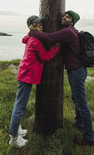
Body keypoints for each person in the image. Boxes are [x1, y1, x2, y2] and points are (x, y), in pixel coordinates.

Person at [29, 10, 94, 146]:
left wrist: (32, 32)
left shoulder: (68, 32)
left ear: (72, 21)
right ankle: (79, 124)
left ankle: (88, 138)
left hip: (77, 71)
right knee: (76, 99)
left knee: (82, 104)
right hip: (77, 70)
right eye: (64, 15)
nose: (64, 17)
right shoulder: (71, 31)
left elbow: (49, 38)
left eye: (68, 16)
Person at [9, 15, 59, 148]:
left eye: (41, 22)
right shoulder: (35, 40)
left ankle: (16, 129)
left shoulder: (32, 38)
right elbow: (44, 57)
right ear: (32, 25)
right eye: (37, 23)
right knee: (20, 106)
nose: (41, 25)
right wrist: (56, 48)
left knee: (19, 104)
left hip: (26, 74)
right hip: (27, 75)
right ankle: (14, 138)